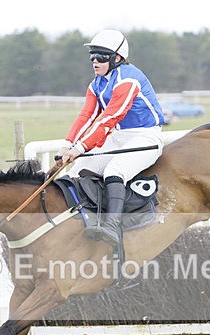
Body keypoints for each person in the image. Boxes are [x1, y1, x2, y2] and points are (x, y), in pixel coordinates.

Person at [56, 29, 166, 250]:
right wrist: (66, 146)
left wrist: (80, 147)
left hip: (146, 136)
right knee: (77, 171)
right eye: (92, 57)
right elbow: (86, 116)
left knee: (114, 171)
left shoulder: (129, 79)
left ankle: (113, 226)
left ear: (117, 58)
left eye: (101, 57)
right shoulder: (96, 83)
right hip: (118, 136)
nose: (95, 62)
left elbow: (110, 118)